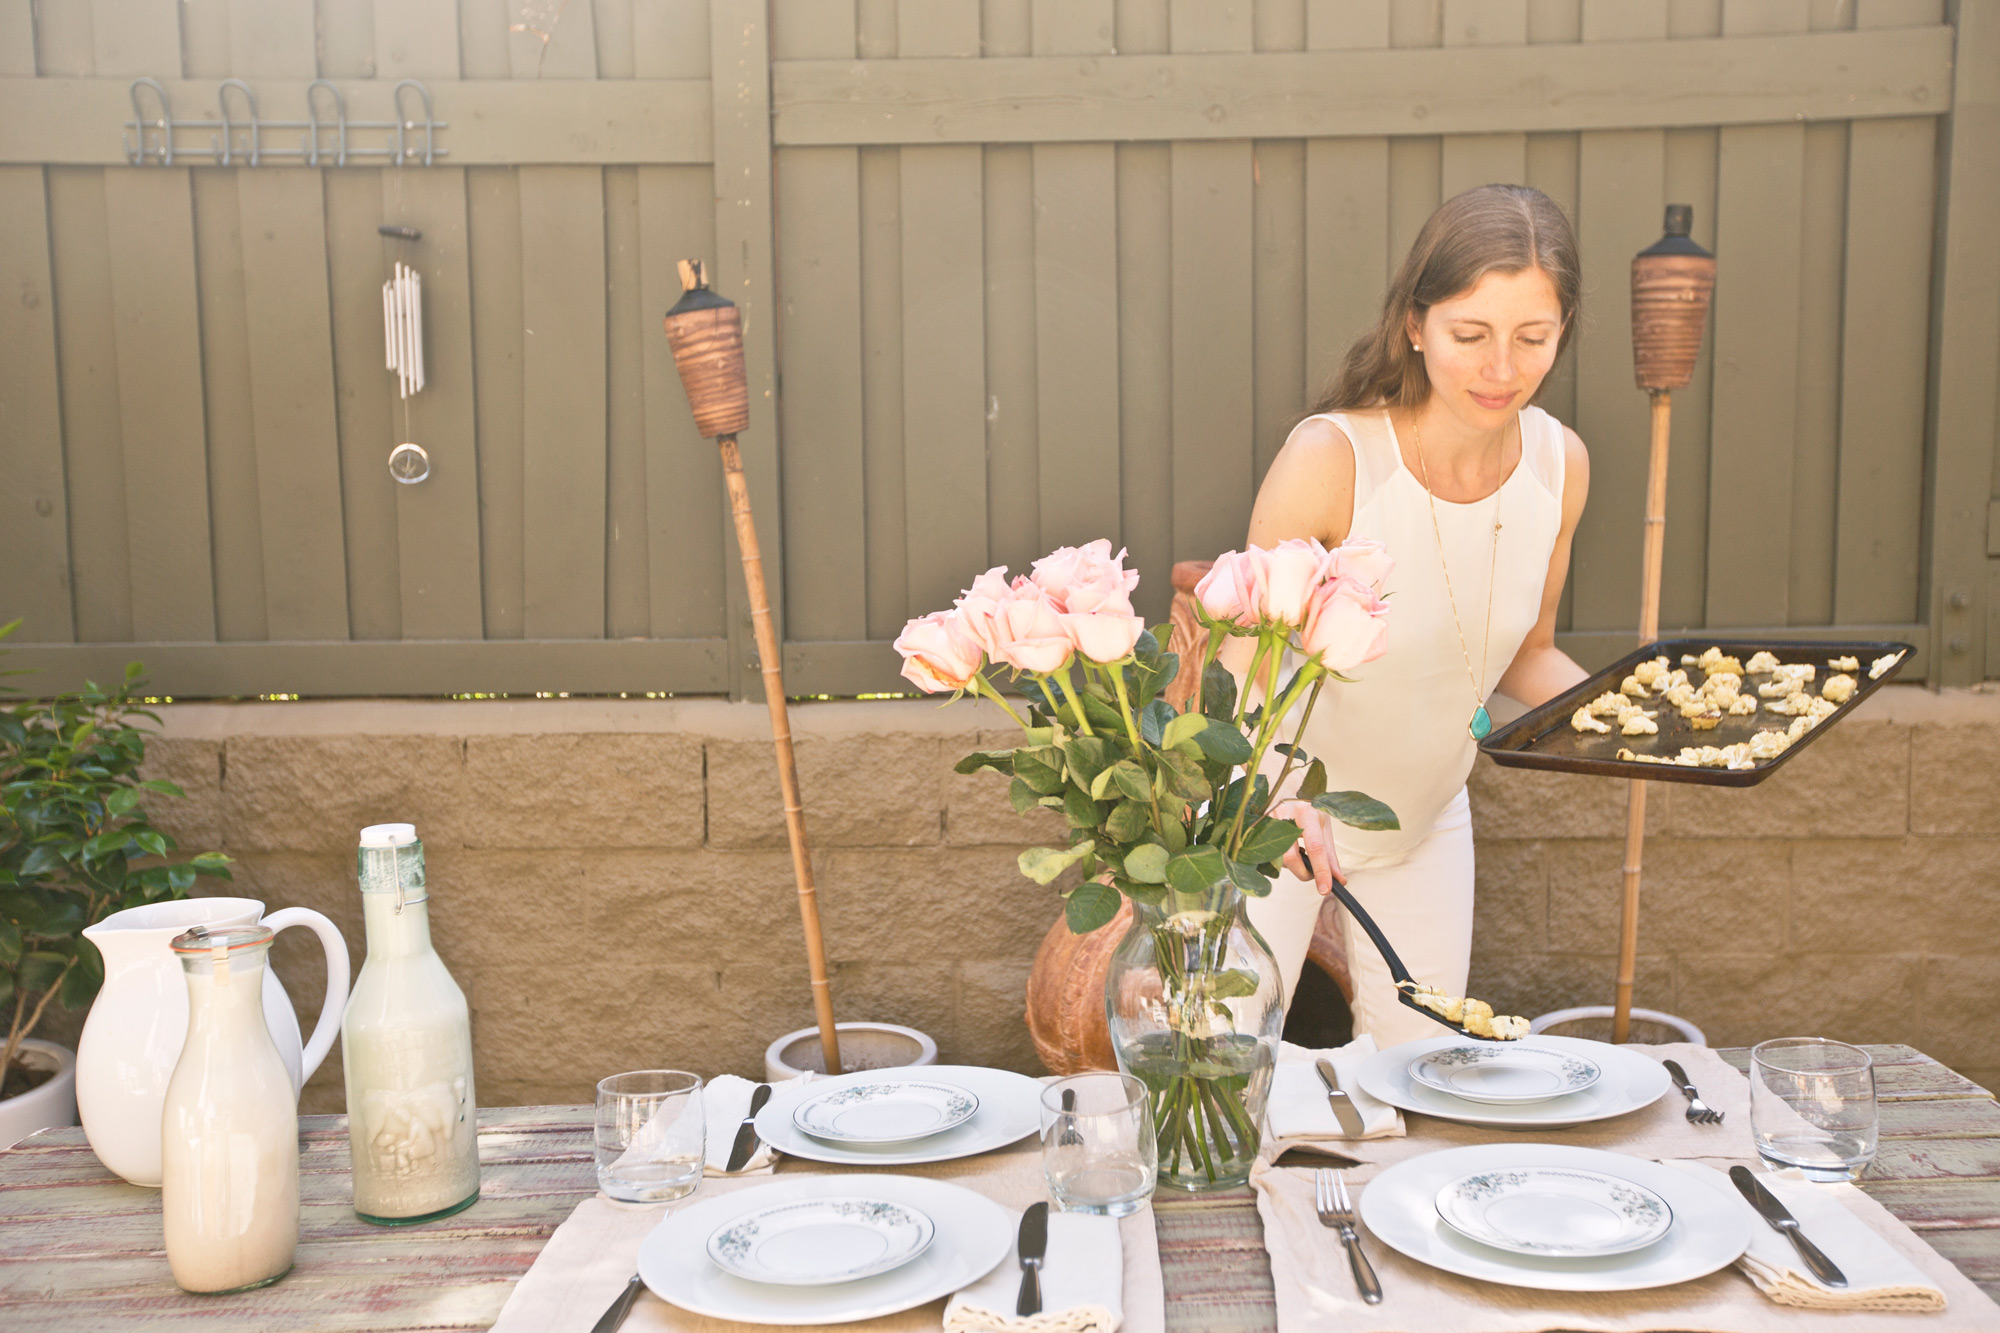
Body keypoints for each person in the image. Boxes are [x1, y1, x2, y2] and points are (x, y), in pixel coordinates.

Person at [1229, 184, 1592, 1048]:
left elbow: (1526, 655)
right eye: (1471, 335)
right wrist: (1273, 799)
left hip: (1424, 823)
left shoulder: (1560, 465)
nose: (1501, 368)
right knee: (1219, 1079)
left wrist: (1640, 724)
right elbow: (1236, 675)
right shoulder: (1332, 459)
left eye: (1532, 339)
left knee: (1423, 1082)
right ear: (1415, 324)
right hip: (1274, 817)